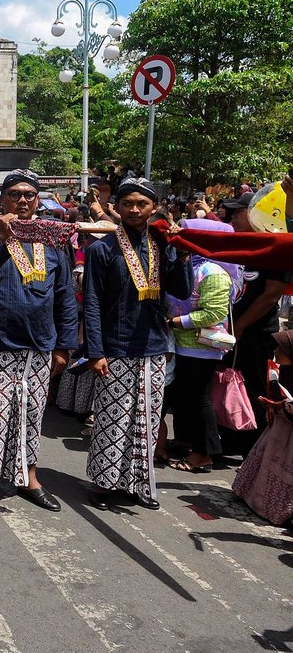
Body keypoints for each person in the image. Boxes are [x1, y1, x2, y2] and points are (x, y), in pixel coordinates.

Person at [0, 169, 78, 512]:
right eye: (15, 194)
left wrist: (63, 345)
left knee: (31, 415)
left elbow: (65, 294)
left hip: (39, 345)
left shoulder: (51, 238)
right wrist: (0, 237)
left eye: (29, 195)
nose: (22, 200)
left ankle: (29, 478)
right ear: (1, 199)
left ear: (37, 200)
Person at [83, 176, 193, 511]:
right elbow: (92, 303)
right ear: (115, 207)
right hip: (116, 347)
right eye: (127, 203)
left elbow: (183, 291)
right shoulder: (102, 249)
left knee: (145, 419)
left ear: (154, 207)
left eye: (141, 203)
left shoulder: (163, 245)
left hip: (155, 346)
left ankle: (135, 483)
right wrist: (96, 351)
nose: (133, 209)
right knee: (112, 418)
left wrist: (183, 255)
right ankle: (103, 484)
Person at [220, 192, 288, 456]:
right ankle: (233, 439)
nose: (234, 218)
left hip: (257, 334)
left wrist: (242, 324)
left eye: (239, 213)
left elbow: (271, 294)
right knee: (231, 386)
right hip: (234, 330)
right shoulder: (244, 246)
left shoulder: (275, 248)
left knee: (256, 389)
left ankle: (257, 450)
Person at [166, 219, 236, 473]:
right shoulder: (187, 265)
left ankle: (204, 453)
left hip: (202, 346)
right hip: (182, 344)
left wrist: (176, 321)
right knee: (185, 397)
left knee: (198, 398)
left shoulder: (213, 272)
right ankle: (188, 441)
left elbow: (214, 313)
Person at [232, 328, 293, 525]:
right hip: (279, 427)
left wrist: (283, 406)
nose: (275, 350)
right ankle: (252, 496)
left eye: (281, 348)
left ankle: (278, 510)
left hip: (289, 435)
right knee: (265, 461)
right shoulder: (283, 370)